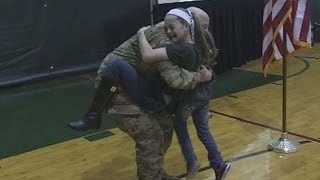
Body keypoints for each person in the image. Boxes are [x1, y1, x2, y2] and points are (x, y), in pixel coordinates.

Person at [68, 7, 214, 180]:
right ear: (188, 23)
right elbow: (175, 79)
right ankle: (93, 116)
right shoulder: (165, 38)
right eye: (202, 27)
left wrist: (208, 75)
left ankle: (155, 174)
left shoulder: (181, 36)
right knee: (151, 134)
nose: (205, 32)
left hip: (139, 80)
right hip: (116, 83)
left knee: (165, 126)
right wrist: (201, 77)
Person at [137, 8, 230, 180]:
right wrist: (209, 77)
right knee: (203, 131)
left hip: (191, 96)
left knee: (180, 127)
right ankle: (218, 164)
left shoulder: (182, 48)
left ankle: (192, 162)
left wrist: (141, 33)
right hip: (204, 95)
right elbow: (207, 68)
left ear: (187, 25)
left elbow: (149, 56)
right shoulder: (203, 43)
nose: (205, 28)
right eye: (203, 25)